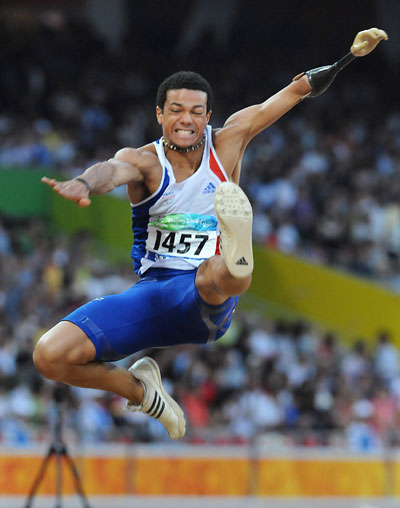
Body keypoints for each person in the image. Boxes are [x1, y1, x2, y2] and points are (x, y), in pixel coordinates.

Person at [33, 28, 388, 440]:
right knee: (49, 356)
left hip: (205, 299)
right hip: (152, 295)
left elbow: (292, 93)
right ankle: (141, 390)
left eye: (196, 111)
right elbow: (111, 170)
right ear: (160, 115)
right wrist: (83, 182)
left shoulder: (229, 142)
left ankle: (237, 250)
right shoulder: (145, 162)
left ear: (208, 117)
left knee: (222, 273)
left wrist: (348, 57)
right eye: (177, 109)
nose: (186, 119)